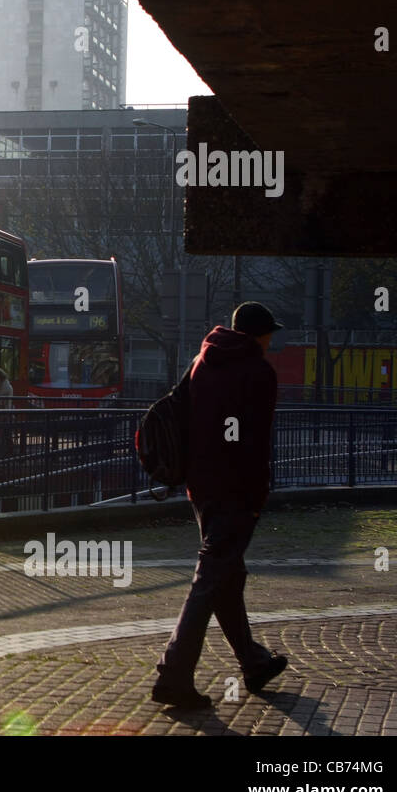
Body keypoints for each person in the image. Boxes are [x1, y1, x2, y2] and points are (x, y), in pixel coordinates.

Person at [152, 302, 288, 710]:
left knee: (226, 576)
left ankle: (254, 662)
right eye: (268, 334)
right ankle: (173, 675)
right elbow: (256, 443)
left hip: (202, 487)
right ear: (257, 335)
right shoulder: (259, 373)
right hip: (237, 491)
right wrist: (257, 497)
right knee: (210, 581)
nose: (270, 340)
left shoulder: (201, 362)